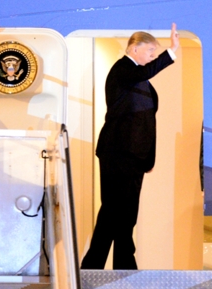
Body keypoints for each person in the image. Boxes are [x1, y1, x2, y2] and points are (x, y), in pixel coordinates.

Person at [81, 23, 180, 270]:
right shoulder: (123, 69)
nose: (153, 56)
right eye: (150, 51)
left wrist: (147, 158)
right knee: (115, 210)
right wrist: (171, 52)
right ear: (135, 49)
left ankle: (111, 267)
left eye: (155, 53)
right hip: (118, 153)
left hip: (134, 157)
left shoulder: (138, 77)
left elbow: (145, 121)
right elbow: (143, 75)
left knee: (124, 213)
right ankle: (105, 267)